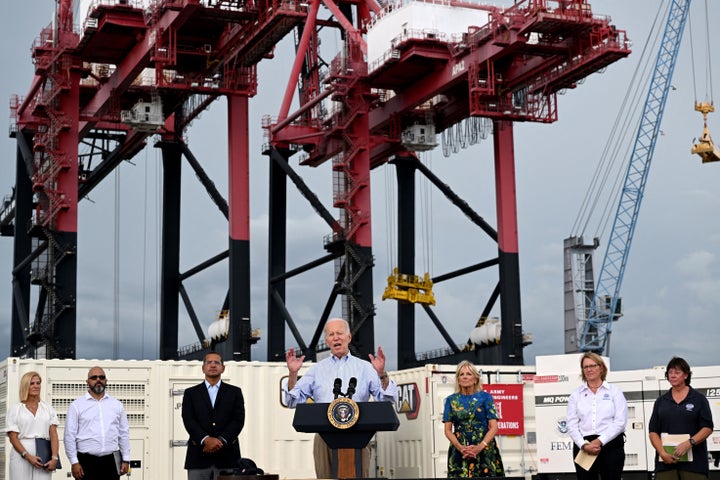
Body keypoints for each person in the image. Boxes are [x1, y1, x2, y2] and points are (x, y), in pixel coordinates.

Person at [283, 317, 398, 478]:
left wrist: (382, 374)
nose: (335, 337)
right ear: (327, 341)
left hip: (360, 435)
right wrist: (293, 374)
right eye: (331, 334)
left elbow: (387, 400)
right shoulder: (317, 369)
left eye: (339, 333)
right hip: (325, 436)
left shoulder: (365, 367)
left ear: (349, 337)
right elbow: (292, 400)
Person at [182, 352, 246, 480]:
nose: (212, 365)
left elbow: (238, 420)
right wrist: (206, 439)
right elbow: (189, 420)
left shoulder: (234, 392)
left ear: (223, 368)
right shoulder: (191, 393)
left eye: (217, 362)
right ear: (203, 368)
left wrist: (220, 441)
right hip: (198, 458)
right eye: (209, 362)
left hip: (227, 458)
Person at [649, 357, 713, 480]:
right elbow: (653, 431)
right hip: (665, 465)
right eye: (670, 373)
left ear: (686, 375)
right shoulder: (661, 401)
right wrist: (662, 453)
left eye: (677, 372)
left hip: (694, 466)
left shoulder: (699, 399)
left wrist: (689, 443)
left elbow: (707, 427)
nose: (672, 376)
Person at [566, 353, 627, 480]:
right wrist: (583, 445)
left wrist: (600, 441)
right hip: (584, 446)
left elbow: (620, 422)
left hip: (611, 444)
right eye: (585, 367)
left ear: (601, 368)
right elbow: (571, 425)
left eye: (593, 365)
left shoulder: (614, 391)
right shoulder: (576, 395)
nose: (589, 369)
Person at [64, 366, 130, 480]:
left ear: (106, 381)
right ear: (87, 382)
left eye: (102, 377)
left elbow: (124, 434)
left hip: (111, 462)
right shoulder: (77, 405)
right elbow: (69, 436)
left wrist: (126, 459)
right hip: (86, 462)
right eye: (94, 377)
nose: (98, 380)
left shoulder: (117, 405)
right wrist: (74, 462)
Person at [443, 360, 504, 478]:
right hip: (459, 450)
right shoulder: (451, 400)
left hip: (484, 449)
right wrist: (461, 449)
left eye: (468, 374)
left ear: (475, 379)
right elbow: (447, 430)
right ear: (458, 379)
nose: (465, 377)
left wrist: (479, 447)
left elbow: (494, 426)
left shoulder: (486, 397)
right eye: (461, 374)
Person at [6, 371, 60, 479]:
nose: (36, 386)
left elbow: (53, 435)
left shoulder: (48, 408)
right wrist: (27, 455)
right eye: (32, 383)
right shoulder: (16, 409)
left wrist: (54, 458)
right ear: (25, 385)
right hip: (20, 454)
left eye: (38, 383)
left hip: (43, 453)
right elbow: (13, 437)